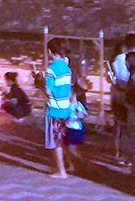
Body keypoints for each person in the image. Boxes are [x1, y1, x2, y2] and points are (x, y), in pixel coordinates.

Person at [44, 38, 74, 179]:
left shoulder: (51, 69)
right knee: (63, 139)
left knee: (56, 142)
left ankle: (61, 171)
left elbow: (48, 91)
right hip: (65, 108)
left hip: (55, 108)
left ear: (50, 51)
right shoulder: (67, 69)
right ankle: (66, 165)